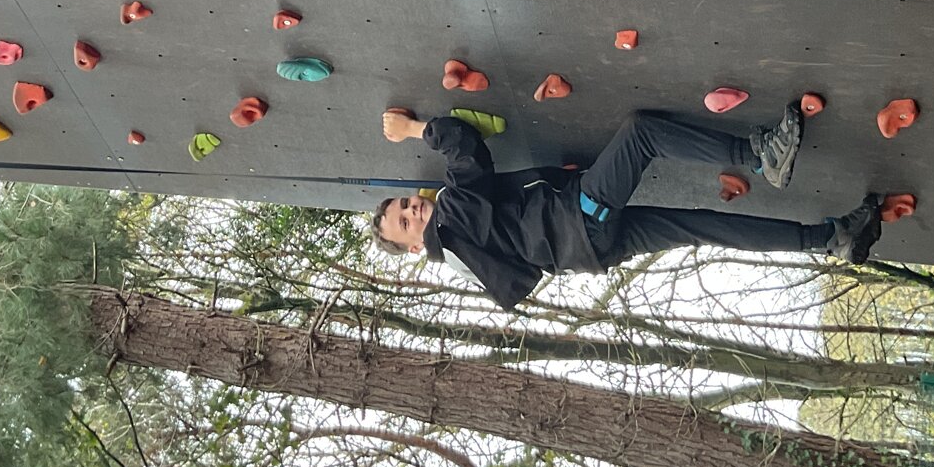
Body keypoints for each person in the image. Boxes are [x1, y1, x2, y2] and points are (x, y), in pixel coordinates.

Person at [373, 104, 884, 311]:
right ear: (416, 245)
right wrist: (414, 130)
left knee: (704, 227)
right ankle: (758, 154)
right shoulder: (451, 220)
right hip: (581, 218)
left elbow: (514, 224)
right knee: (642, 134)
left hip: (589, 249)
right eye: (403, 222)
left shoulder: (464, 258)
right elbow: (465, 150)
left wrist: (554, 184)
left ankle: (831, 238)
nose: (411, 210)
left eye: (403, 205)